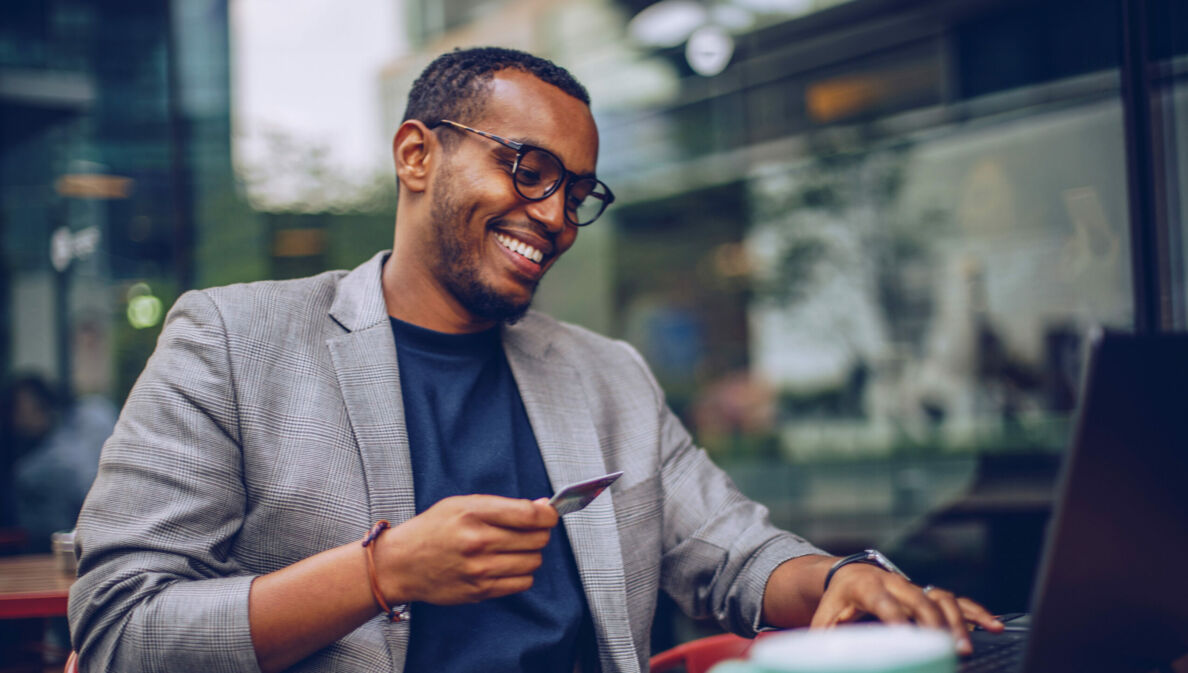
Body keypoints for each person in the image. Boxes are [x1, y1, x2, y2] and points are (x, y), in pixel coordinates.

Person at [68, 47, 1002, 673]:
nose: (556, 217)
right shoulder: (234, 340)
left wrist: (837, 580)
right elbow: (118, 629)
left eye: (578, 191)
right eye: (528, 169)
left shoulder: (606, 376)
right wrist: (381, 571)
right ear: (416, 154)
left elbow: (734, 554)